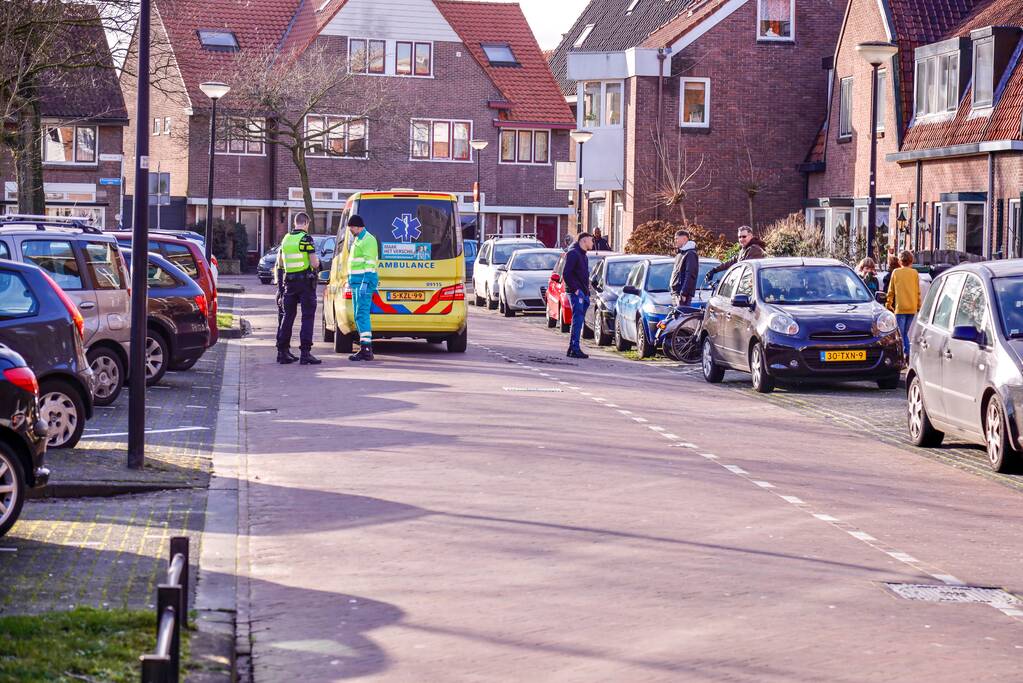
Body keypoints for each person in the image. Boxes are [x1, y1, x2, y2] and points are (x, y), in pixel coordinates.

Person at [275, 213, 321, 365]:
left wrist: (280, 287)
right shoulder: (306, 238)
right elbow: (314, 264)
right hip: (305, 284)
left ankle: (282, 351)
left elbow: (280, 264)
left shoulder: (286, 239)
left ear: (295, 223)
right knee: (307, 317)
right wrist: (318, 262)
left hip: (289, 283)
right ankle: (305, 353)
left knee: (288, 316)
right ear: (306, 223)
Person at [346, 214, 379, 361]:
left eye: (351, 227)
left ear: (358, 226)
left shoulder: (368, 240)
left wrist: (365, 282)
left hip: (363, 283)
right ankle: (364, 347)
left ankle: (366, 349)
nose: (350, 230)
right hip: (356, 283)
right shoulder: (358, 240)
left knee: (362, 313)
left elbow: (370, 264)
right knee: (358, 314)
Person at [563, 233, 594, 359]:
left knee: (578, 321)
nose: (593, 243)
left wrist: (587, 289)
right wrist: (575, 290)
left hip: (583, 293)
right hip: (577, 293)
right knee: (577, 320)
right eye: (591, 240)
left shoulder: (583, 256)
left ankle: (572, 348)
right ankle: (575, 348)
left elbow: (582, 275)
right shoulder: (573, 253)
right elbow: (566, 273)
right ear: (584, 240)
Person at [886, 250, 920, 358]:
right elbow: (917, 291)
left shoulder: (896, 272)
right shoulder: (914, 273)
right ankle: (906, 353)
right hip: (912, 307)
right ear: (911, 261)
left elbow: (891, 290)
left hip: (900, 307)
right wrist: (919, 305)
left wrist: (888, 303)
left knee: (900, 334)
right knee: (904, 333)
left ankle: (905, 354)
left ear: (900, 261)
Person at [272, 244, 297, 363]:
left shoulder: (284, 246)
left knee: (285, 320)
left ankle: (285, 350)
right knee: (284, 321)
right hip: (284, 289)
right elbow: (280, 268)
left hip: (284, 288)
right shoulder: (286, 247)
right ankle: (282, 352)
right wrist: (282, 292)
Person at [670, 229, 699, 307]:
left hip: (682, 295)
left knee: (681, 317)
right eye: (675, 239)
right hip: (676, 293)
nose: (675, 241)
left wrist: (684, 293)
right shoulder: (680, 253)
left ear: (684, 239)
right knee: (676, 318)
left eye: (677, 239)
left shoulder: (690, 254)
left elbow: (690, 274)